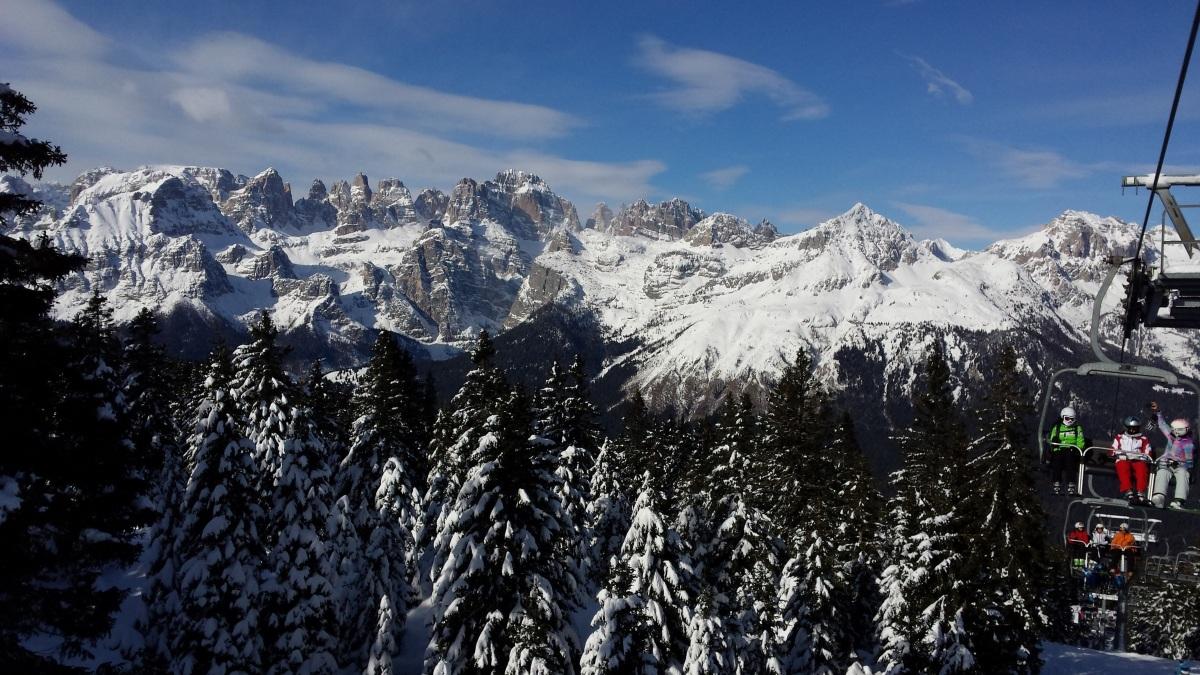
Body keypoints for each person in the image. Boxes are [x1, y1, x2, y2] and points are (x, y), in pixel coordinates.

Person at [1148, 401, 1195, 510]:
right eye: (1174, 430)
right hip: (1166, 463)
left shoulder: (1188, 444)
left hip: (1180, 466)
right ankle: (1158, 497)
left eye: (1178, 430)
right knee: (1162, 472)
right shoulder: (1171, 436)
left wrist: (1180, 463)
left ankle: (1178, 500)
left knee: (1183, 475)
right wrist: (1158, 413)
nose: (1175, 433)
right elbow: (1162, 425)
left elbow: (1189, 462)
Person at [1111, 415, 1153, 505]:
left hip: (1137, 459)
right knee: (1122, 466)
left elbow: (1148, 452)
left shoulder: (1143, 439)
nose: (1133, 430)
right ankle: (1128, 491)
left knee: (1142, 468)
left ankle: (1141, 493)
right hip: (1123, 459)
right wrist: (1119, 455)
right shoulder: (1120, 438)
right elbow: (1113, 450)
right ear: (1126, 428)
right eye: (1131, 428)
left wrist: (1141, 457)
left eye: (1135, 428)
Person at [1047, 406, 1086, 495]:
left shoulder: (1077, 429)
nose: (1069, 421)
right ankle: (1057, 481)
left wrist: (1077, 447)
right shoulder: (1057, 428)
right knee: (1057, 462)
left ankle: (1071, 483)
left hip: (1071, 449)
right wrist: (1054, 443)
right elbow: (1052, 438)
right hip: (1059, 449)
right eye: (1067, 418)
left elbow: (1080, 441)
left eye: (1072, 419)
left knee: (1070, 462)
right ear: (1063, 417)